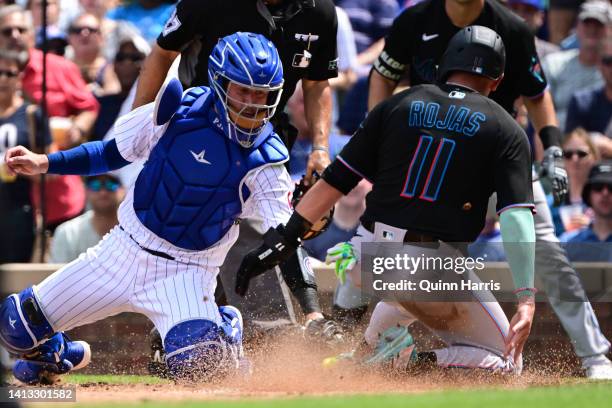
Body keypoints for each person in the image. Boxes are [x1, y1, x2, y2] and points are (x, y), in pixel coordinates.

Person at [236, 26, 536, 373]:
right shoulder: (506, 128)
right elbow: (515, 217)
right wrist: (526, 299)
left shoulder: (397, 103)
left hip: (365, 257)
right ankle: (402, 363)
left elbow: (336, 179)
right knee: (508, 364)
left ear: (444, 65)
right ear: (497, 81)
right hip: (428, 266)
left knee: (368, 344)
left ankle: (358, 359)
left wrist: (287, 238)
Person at [0, 32, 290, 384]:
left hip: (187, 270)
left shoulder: (267, 159)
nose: (253, 104)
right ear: (219, 81)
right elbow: (110, 153)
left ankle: (224, 331)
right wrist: (45, 162)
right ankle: (56, 355)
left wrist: (309, 305)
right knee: (15, 324)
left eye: (262, 94)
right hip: (121, 250)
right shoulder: (179, 108)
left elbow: (286, 232)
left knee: (198, 366)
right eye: (243, 90)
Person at [364, 0, 612, 379]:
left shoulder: (511, 28)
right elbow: (382, 75)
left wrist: (554, 151)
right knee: (409, 248)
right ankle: (365, 344)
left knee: (544, 247)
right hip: (431, 159)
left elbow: (537, 93)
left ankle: (595, 358)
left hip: (500, 154)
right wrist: (377, 133)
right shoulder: (415, 20)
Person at [133, 0, 345, 359]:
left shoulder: (320, 11)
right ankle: (180, 327)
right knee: (191, 229)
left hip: (266, 137)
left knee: (280, 223)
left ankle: (306, 322)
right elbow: (162, 53)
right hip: (199, 131)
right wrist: (141, 125)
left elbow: (317, 82)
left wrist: (320, 147)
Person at [0, 5, 100, 233]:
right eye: (7, 31)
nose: (15, 36)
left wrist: (77, 129)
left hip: (56, 193)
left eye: (21, 30)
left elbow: (89, 107)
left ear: (32, 34)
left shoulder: (58, 67)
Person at [0, 49, 51, 263]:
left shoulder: (32, 114)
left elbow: (49, 168)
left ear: (20, 77)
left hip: (18, 209)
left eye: (9, 73)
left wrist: (17, 167)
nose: (2, 79)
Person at [542, 0, 609, 130]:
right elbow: (540, 111)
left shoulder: (610, 69)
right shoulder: (554, 64)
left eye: (599, 25)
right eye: (587, 23)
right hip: (558, 142)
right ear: (577, 27)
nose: (592, 29)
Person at [49, 174, 124, 263]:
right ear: (86, 190)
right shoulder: (67, 233)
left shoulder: (137, 233)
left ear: (124, 190)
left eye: (110, 185)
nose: (103, 192)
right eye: (95, 185)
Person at [565, 38, 612, 157]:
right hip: (591, 173)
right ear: (599, 64)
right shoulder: (581, 102)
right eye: (608, 61)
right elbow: (571, 151)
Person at [561, 161, 612, 261]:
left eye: (611, 187)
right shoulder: (567, 242)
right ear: (588, 195)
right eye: (598, 187)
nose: (605, 193)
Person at [67, 13, 120, 96]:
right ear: (69, 37)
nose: (84, 33)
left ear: (102, 37)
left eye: (91, 30)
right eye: (77, 30)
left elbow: (113, 96)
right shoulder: (61, 68)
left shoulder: (110, 69)